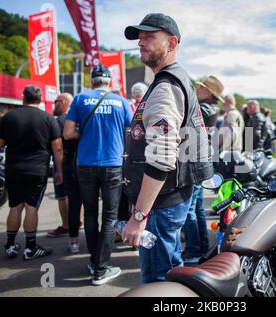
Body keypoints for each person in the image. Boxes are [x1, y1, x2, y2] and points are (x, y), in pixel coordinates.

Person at [123, 13, 213, 283]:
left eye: (149, 37)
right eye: (140, 38)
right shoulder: (178, 78)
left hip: (161, 203)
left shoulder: (165, 86)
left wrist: (139, 215)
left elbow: (162, 158)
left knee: (157, 282)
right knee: (171, 270)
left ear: (172, 43)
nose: (141, 42)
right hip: (171, 197)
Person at [64, 65, 133, 285]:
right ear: (109, 82)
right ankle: (101, 269)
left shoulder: (80, 99)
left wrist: (84, 132)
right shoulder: (121, 102)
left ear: (92, 81)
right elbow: (131, 132)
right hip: (112, 163)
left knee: (91, 213)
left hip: (85, 163)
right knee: (110, 216)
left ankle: (95, 262)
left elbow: (67, 133)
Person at [0, 85, 63, 260]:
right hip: (37, 170)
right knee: (31, 207)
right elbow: (58, 148)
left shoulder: (10, 117)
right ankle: (30, 247)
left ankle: (10, 245)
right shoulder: (48, 118)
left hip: (13, 169)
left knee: (15, 206)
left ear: (23, 97)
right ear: (39, 100)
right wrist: (59, 170)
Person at [182, 75, 223, 264]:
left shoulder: (205, 109)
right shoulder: (208, 107)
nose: (197, 89)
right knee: (196, 207)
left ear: (208, 92)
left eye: (200, 87)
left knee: (190, 208)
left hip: (195, 160)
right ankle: (202, 247)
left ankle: (193, 250)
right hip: (200, 160)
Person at [46, 93, 73, 238]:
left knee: (62, 196)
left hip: (63, 161)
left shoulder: (59, 121)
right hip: (79, 162)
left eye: (56, 102)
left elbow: (58, 147)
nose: (54, 105)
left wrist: (59, 169)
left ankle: (66, 225)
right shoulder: (78, 119)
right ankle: (77, 220)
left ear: (63, 103)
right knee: (76, 195)